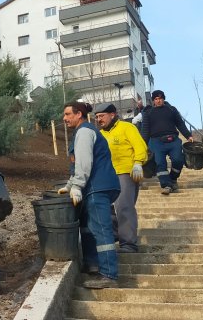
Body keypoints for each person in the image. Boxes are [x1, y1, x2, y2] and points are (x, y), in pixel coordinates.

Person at [58, 102, 121, 289]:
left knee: (101, 230)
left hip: (96, 187)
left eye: (68, 114)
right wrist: (70, 185)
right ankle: (93, 264)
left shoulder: (84, 132)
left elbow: (84, 163)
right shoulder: (84, 131)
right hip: (97, 186)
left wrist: (77, 185)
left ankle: (109, 275)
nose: (64, 118)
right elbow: (79, 164)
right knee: (89, 227)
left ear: (79, 115)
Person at [95, 103, 148, 253]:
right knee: (107, 207)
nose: (99, 119)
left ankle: (129, 244)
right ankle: (114, 235)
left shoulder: (127, 128)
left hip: (126, 173)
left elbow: (140, 146)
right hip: (107, 175)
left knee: (124, 206)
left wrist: (138, 163)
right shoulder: (100, 135)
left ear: (112, 115)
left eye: (102, 116)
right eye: (97, 117)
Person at [140, 90, 193, 195]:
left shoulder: (171, 110)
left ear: (163, 99)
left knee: (178, 160)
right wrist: (142, 144)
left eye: (160, 98)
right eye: (156, 99)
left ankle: (173, 178)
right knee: (160, 164)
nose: (158, 101)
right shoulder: (148, 113)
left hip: (173, 140)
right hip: (156, 142)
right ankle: (166, 185)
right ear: (153, 100)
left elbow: (180, 123)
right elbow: (145, 130)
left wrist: (188, 135)